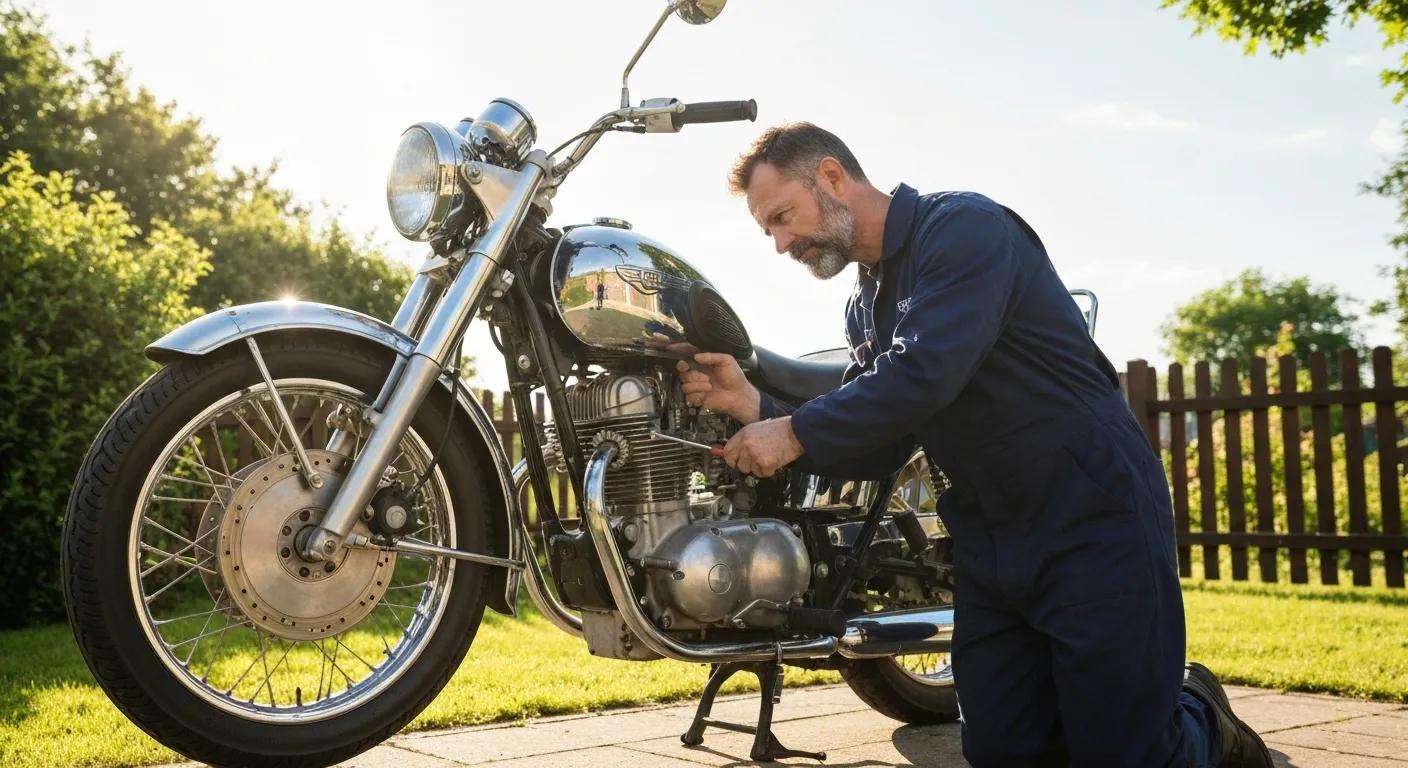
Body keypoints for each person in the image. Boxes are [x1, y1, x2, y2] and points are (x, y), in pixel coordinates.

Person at [676, 122, 1273, 767]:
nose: (782, 243)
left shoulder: (963, 229)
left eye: (783, 217)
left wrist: (790, 433)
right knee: (1004, 749)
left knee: (1124, 753)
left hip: (1090, 513)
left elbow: (924, 372)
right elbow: (882, 437)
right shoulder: (865, 303)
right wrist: (757, 408)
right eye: (768, 230)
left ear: (830, 177)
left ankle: (1204, 718)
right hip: (990, 537)